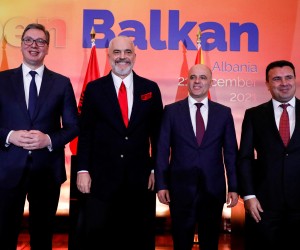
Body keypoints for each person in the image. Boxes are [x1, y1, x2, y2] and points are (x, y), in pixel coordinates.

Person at [76, 35, 163, 250]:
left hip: (140, 180)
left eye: (127, 52)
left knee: (136, 237)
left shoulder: (150, 89)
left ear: (134, 56)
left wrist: (156, 169)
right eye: (117, 52)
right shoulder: (94, 89)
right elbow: (85, 133)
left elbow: (158, 135)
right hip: (101, 179)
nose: (122, 57)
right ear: (108, 56)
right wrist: (83, 170)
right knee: (99, 237)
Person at [0, 23, 79, 250]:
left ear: (47, 48)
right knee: (4, 235)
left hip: (46, 172)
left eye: (40, 41)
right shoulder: (2, 80)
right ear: (22, 45)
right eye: (28, 40)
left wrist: (49, 140)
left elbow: (74, 126)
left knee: (42, 237)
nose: (34, 45)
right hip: (7, 171)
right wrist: (10, 136)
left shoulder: (62, 83)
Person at [155, 64, 239, 250]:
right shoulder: (171, 111)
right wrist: (161, 184)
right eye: (193, 77)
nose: (197, 81)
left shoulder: (224, 113)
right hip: (180, 189)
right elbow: (161, 150)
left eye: (202, 77)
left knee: (210, 242)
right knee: (181, 241)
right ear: (187, 81)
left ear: (210, 82)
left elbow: (231, 153)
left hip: (213, 189)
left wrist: (234, 186)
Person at [238, 60, 300, 250]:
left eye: (288, 77)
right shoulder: (253, 115)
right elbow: (245, 158)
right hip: (264, 206)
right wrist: (248, 196)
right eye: (277, 79)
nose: (284, 83)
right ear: (267, 84)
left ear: (295, 80)